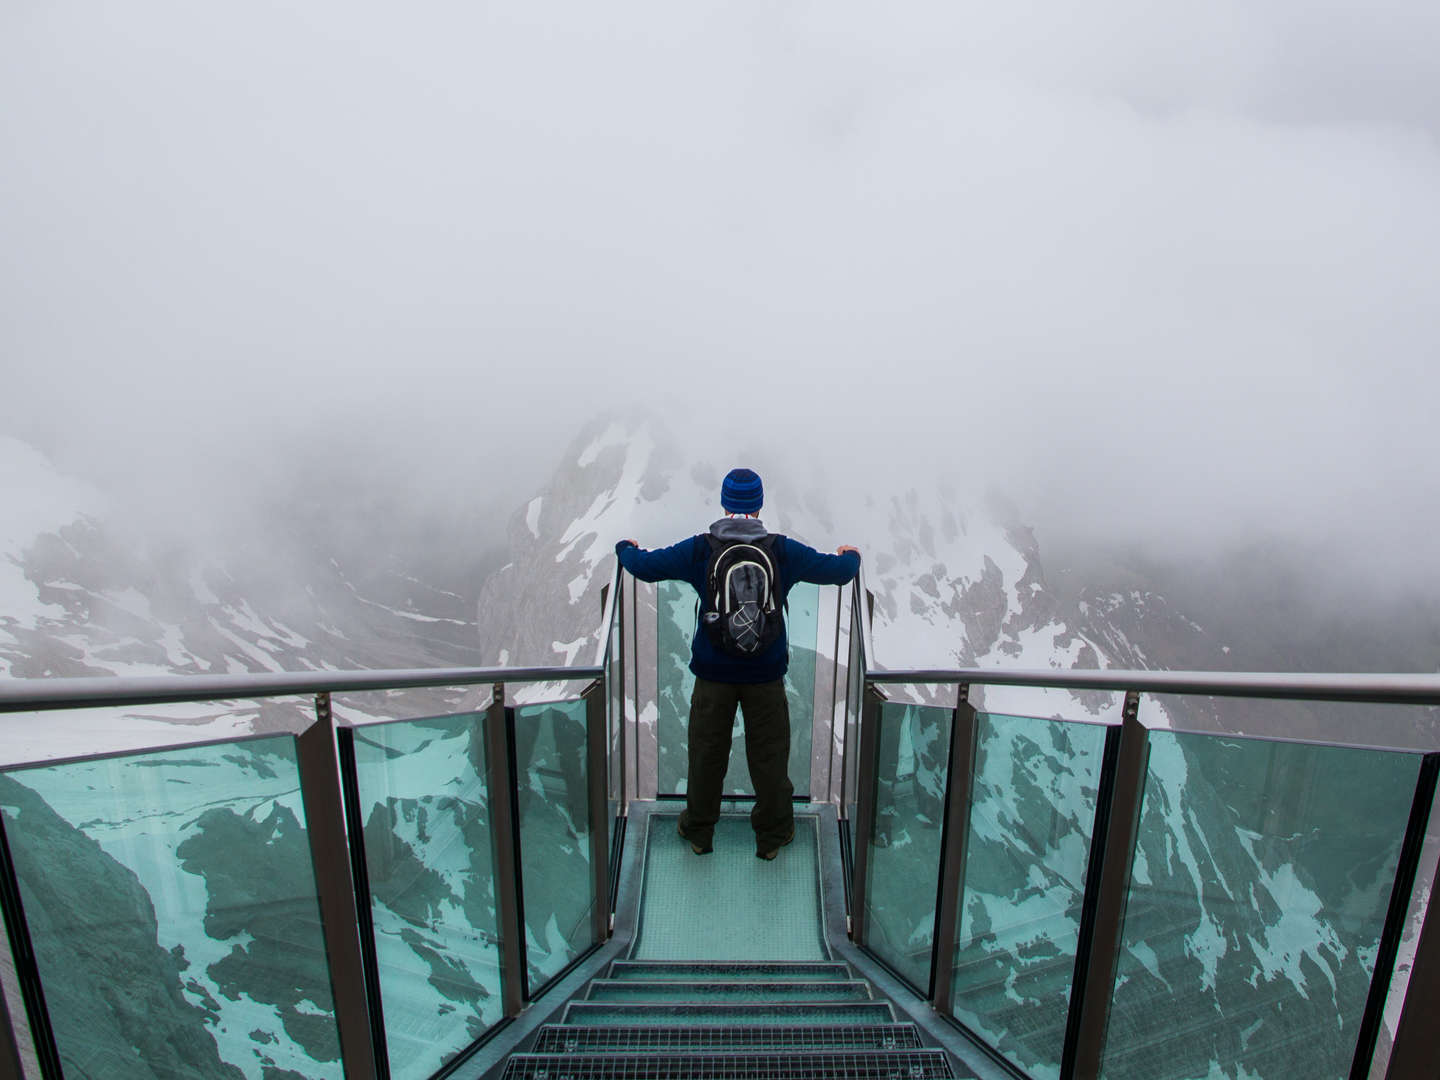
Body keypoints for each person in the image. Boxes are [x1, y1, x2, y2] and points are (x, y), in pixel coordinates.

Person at [615, 468, 860, 860]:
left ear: (725, 504)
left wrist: (624, 548)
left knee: (706, 755)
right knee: (769, 756)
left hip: (713, 675)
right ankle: (773, 836)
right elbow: (841, 573)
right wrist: (851, 555)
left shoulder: (700, 549)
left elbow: (643, 566)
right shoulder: (781, 550)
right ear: (759, 505)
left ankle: (699, 832)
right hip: (765, 675)